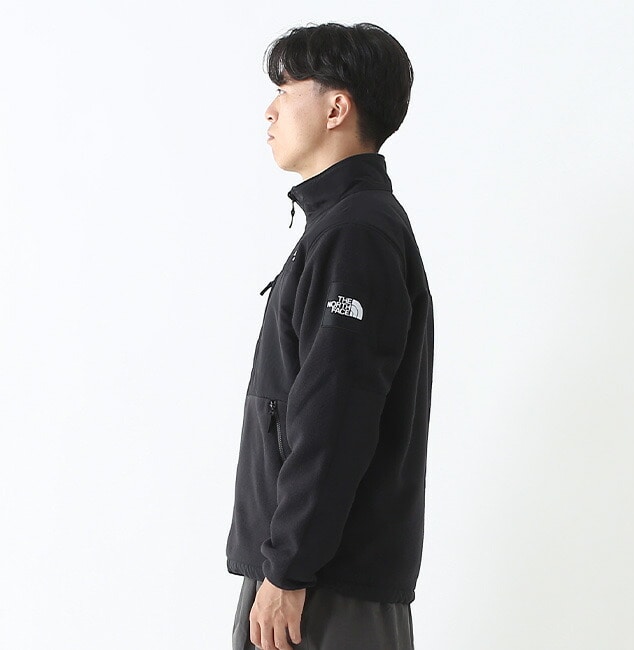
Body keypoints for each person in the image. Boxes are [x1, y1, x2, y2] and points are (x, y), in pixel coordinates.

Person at [226, 21, 434, 650]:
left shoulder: (356, 234)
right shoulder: (340, 226)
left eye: (285, 91)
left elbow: (337, 415)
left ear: (336, 108)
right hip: (307, 570)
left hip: (322, 585)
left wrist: (288, 568)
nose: (270, 110)